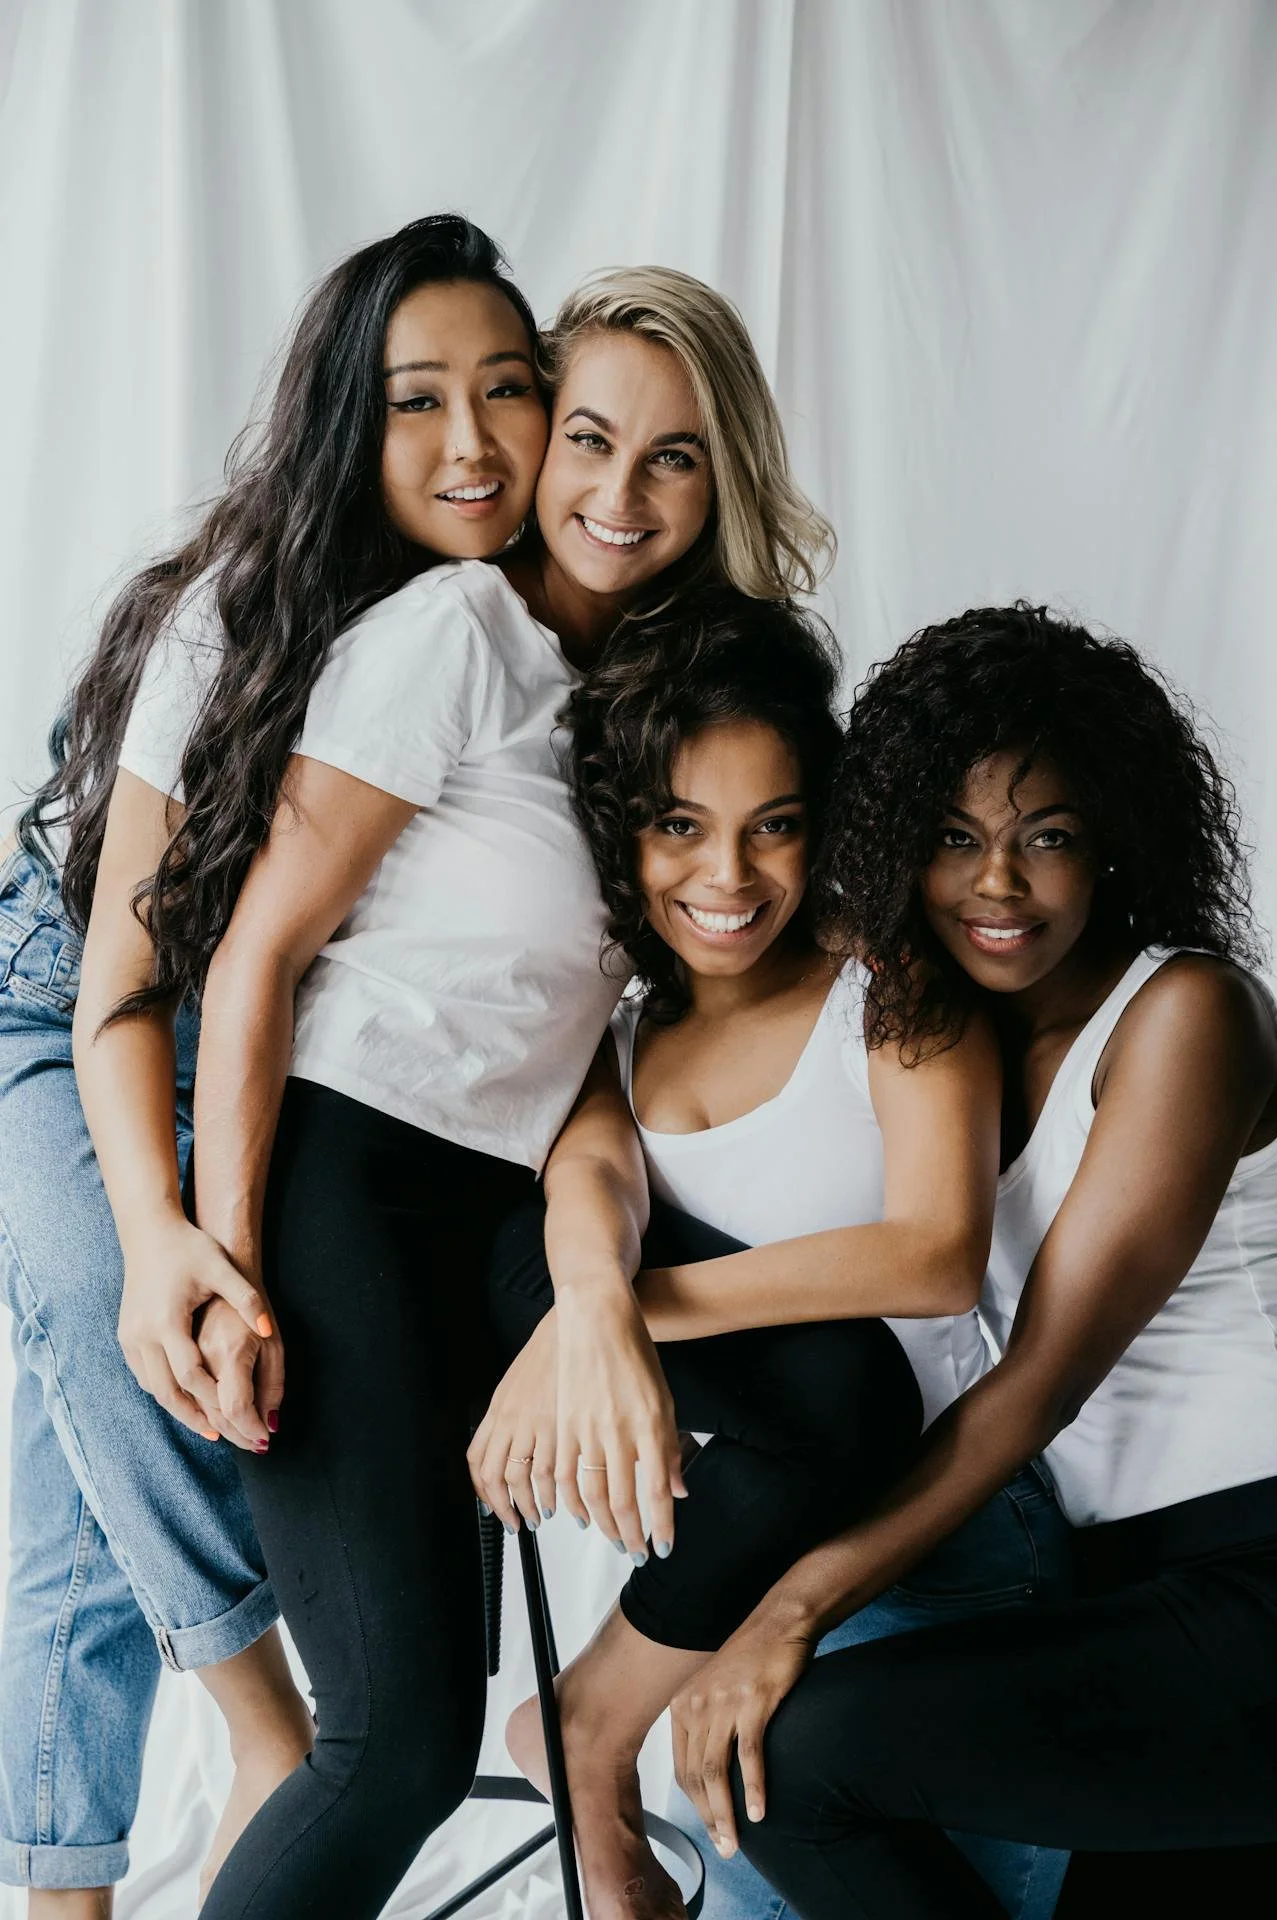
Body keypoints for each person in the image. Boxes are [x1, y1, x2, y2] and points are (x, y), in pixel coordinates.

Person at [118, 268, 834, 1920]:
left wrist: (590, 1295)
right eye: (587, 438)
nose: (615, 492)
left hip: (505, 1202)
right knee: (393, 1752)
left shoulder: (662, 710)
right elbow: (259, 958)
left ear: (719, 482)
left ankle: (584, 1723)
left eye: (672, 460)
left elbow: (587, 1052)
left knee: (837, 1404)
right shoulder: (455, 634)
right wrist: (227, 1258)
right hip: (339, 1193)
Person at [0, 211, 547, 1918]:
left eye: (510, 392)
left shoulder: (522, 624)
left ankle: (59, 1888)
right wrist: (176, 1237)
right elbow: (126, 986)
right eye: (417, 402)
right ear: (341, 419)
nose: (473, 446)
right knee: (112, 1308)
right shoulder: (241, 611)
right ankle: (258, 1734)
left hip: (274, 1041)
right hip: (78, 990)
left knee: (66, 1491)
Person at [669, 604, 1277, 1917]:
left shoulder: (1185, 1016)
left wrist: (783, 1616)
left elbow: (1042, 1378)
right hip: (1123, 1594)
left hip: (1252, 1581)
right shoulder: (946, 1050)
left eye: (1044, 838)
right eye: (954, 840)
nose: (997, 889)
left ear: (1113, 840)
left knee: (792, 1754)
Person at [471, 589, 1072, 1920]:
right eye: (680, 826)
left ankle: (583, 1724)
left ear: (827, 821)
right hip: (739, 1590)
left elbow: (931, 1257)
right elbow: (587, 1187)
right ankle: (580, 1731)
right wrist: (579, 1311)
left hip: (946, 1548)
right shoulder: (612, 1040)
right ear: (620, 831)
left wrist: (613, 1324)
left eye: (774, 827)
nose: (729, 879)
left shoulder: (895, 993)